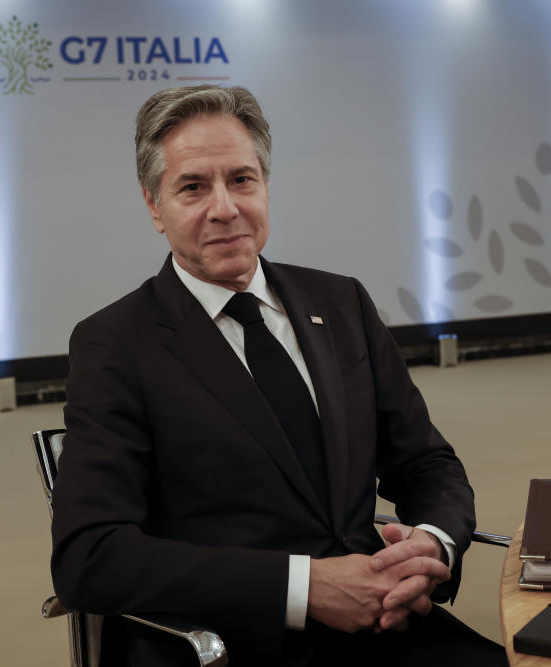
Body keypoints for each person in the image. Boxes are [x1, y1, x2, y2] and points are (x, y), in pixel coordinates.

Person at [51, 85, 507, 665]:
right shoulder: (116, 344)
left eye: (242, 180)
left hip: (391, 623)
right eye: (193, 187)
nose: (224, 208)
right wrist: (304, 588)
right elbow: (90, 556)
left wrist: (430, 546)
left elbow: (426, 463)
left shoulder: (342, 303)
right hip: (243, 641)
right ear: (153, 205)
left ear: (265, 185)